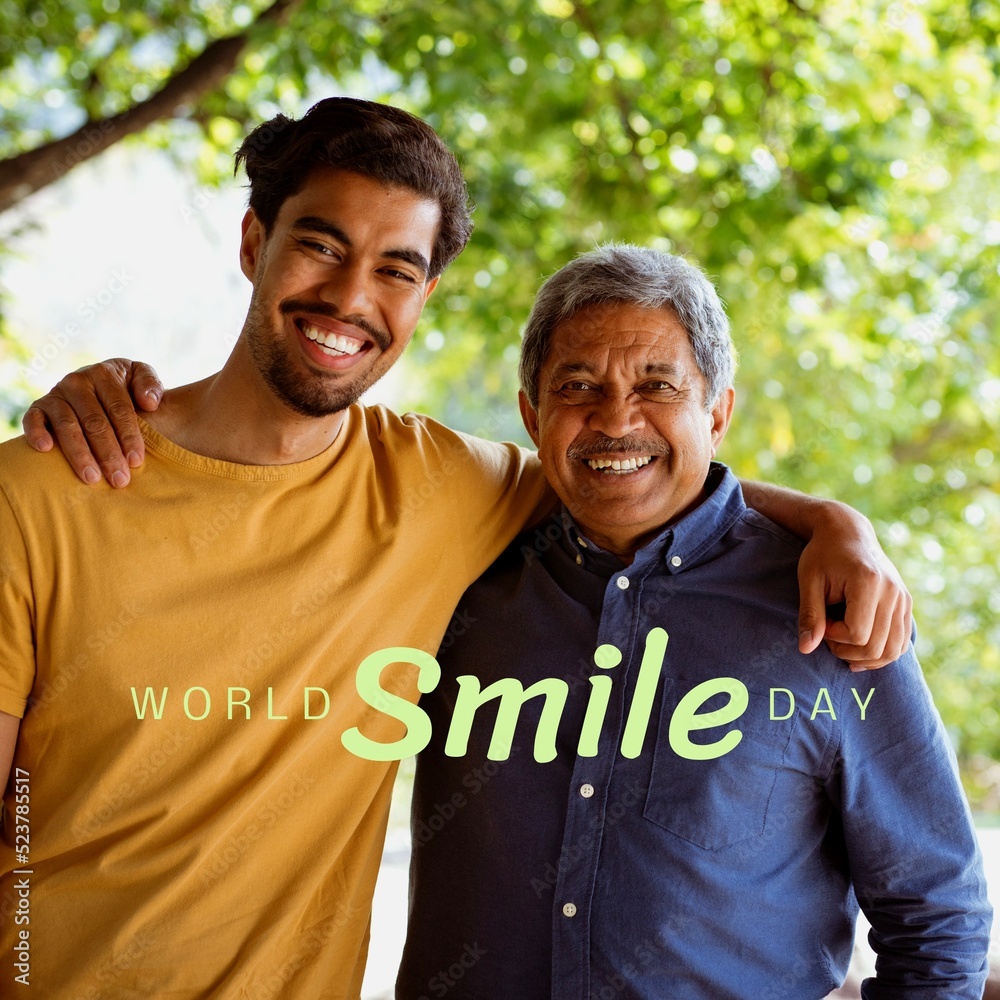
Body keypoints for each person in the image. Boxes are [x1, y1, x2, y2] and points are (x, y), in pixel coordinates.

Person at [1, 98, 910, 997]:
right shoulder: (42, 489)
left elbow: (633, 468)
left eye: (396, 268)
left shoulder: (443, 487)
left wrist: (837, 523)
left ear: (423, 294)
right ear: (253, 244)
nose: (351, 298)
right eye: (320, 244)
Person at [398, 245, 991, 1000]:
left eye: (657, 386)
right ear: (530, 414)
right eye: (578, 386)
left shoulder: (829, 607)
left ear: (717, 412)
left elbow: (936, 917)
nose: (616, 418)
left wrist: (839, 527)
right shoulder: (458, 571)